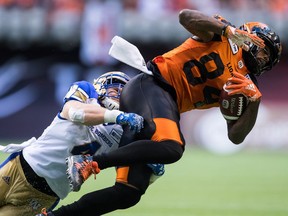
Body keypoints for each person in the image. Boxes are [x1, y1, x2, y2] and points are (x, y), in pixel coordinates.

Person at [41, 9, 282, 216]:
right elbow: (185, 16)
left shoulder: (249, 86)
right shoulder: (221, 33)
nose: (263, 58)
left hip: (164, 108)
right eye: (263, 50)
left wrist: (255, 102)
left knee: (128, 193)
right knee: (172, 147)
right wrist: (226, 30)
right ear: (250, 37)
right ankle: (89, 162)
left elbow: (235, 137)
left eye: (268, 57)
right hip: (151, 85)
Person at [0, 71, 146, 215]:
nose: (120, 97)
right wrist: (117, 116)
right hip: (18, 169)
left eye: (124, 94)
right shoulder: (87, 91)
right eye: (115, 90)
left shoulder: (126, 131)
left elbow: (131, 167)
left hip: (45, 195)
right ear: (102, 87)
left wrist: (151, 165)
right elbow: (75, 112)